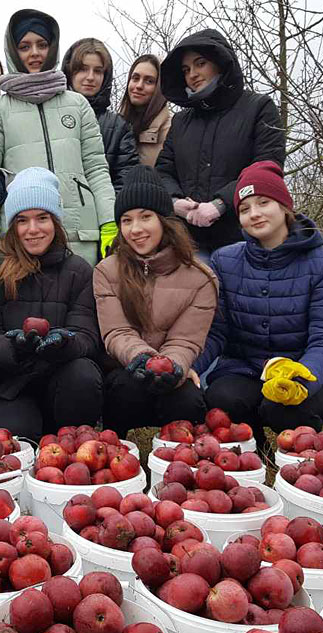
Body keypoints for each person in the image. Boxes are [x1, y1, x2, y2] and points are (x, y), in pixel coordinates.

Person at [194, 161, 323, 438]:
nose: (254, 214)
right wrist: (188, 368)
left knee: (285, 408)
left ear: (284, 205)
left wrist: (302, 376)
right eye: (244, 209)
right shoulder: (225, 261)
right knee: (222, 399)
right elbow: (216, 331)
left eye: (263, 202)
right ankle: (252, 446)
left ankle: (296, 453)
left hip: (303, 368)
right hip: (245, 368)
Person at [0, 167, 103, 439]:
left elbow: (87, 335)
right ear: (11, 226)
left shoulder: (79, 271)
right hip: (13, 383)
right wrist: (13, 346)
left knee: (84, 375)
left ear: (56, 221)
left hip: (61, 376)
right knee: (15, 437)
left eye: (42, 218)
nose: (33, 230)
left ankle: (72, 448)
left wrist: (65, 342)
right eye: (22, 220)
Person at [0, 9, 116, 265]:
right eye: (25, 46)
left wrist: (108, 222)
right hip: (23, 234)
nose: (35, 53)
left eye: (42, 44)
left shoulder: (78, 104)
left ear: (53, 48)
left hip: (79, 232)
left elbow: (96, 168)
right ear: (14, 51)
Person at [94, 165, 219, 436]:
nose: (135, 229)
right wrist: (144, 360)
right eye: (126, 220)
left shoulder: (201, 278)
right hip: (127, 366)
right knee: (122, 388)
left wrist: (172, 366)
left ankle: (180, 461)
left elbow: (186, 340)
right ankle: (117, 452)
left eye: (145, 217)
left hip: (173, 370)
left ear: (164, 220)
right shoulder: (106, 270)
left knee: (188, 399)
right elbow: (116, 331)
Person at [156, 28, 286, 257]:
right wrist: (174, 202)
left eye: (200, 63)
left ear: (220, 63)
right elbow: (164, 170)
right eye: (186, 69)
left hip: (244, 237)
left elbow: (267, 166)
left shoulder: (259, 108)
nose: (192, 74)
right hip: (188, 241)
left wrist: (220, 204)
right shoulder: (181, 121)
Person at [61, 37, 139, 191]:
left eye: (98, 71)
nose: (90, 77)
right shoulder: (49, 114)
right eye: (83, 69)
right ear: (70, 72)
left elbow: (126, 179)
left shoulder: (119, 126)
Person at [118, 54, 171, 167]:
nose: (139, 86)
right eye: (135, 78)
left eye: (149, 81)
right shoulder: (115, 126)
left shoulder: (172, 132)